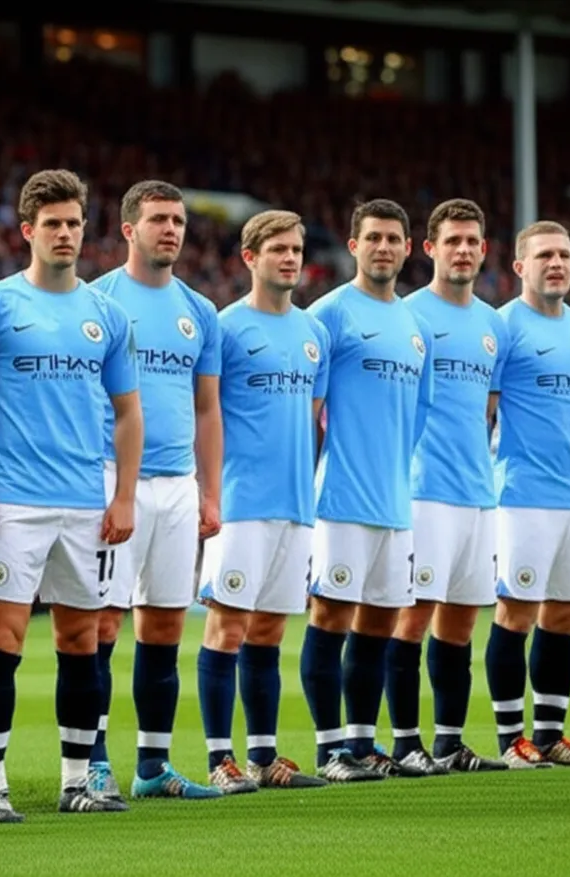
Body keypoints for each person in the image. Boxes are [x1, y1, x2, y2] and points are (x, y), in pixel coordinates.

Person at [0, 169, 143, 819]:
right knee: (2, 639)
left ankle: (74, 781)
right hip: (13, 504)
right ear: (29, 230)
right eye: (52, 224)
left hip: (86, 503)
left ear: (85, 230)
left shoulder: (106, 314)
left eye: (73, 223)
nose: (65, 234)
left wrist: (122, 498)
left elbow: (128, 411)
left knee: (80, 642)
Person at [88, 181, 223, 800]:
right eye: (158, 220)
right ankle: (88, 760)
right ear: (128, 230)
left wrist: (209, 492)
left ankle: (151, 767)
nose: (171, 230)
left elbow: (206, 411)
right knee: (101, 627)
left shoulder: (199, 311)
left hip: (178, 485)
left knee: (165, 627)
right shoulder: (98, 303)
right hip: (117, 483)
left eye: (177, 220)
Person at [300, 199, 435, 780]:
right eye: (373, 237)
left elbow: (419, 414)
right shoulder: (328, 315)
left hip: (394, 500)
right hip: (341, 498)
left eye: (393, 238)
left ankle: (361, 742)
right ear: (353, 245)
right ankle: (329, 748)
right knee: (330, 617)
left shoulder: (415, 326)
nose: (384, 247)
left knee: (380, 622)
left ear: (407, 248)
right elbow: (308, 411)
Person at [197, 209, 330, 794]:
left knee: (270, 632)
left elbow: (310, 420)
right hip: (241, 502)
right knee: (226, 627)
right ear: (249, 257)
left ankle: (263, 757)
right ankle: (218, 759)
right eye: (277, 248)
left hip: (296, 504)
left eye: (296, 248)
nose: (290, 258)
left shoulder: (313, 334)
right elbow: (206, 414)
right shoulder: (225, 328)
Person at [384, 199, 508, 772]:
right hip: (423, 491)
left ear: (484, 250)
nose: (463, 250)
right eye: (452, 240)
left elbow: (486, 410)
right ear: (429, 249)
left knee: (461, 620)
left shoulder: (492, 325)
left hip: (478, 494)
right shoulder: (407, 315)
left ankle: (449, 742)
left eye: (472, 241)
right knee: (413, 617)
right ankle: (406, 742)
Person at [485, 220, 570, 768]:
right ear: (520, 267)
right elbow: (482, 411)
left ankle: (550, 735)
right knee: (515, 613)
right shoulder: (502, 327)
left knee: (564, 617)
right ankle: (510, 739)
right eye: (544, 256)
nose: (557, 263)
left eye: (564, 254)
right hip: (521, 494)